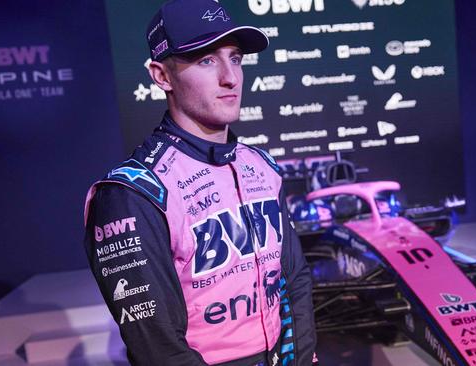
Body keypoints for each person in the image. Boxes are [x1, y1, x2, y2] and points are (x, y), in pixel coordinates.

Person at [83, 1, 317, 365]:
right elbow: (158, 347)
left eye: (235, 58)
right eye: (206, 60)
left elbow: (295, 280)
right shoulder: (132, 194)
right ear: (162, 76)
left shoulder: (261, 166)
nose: (231, 77)